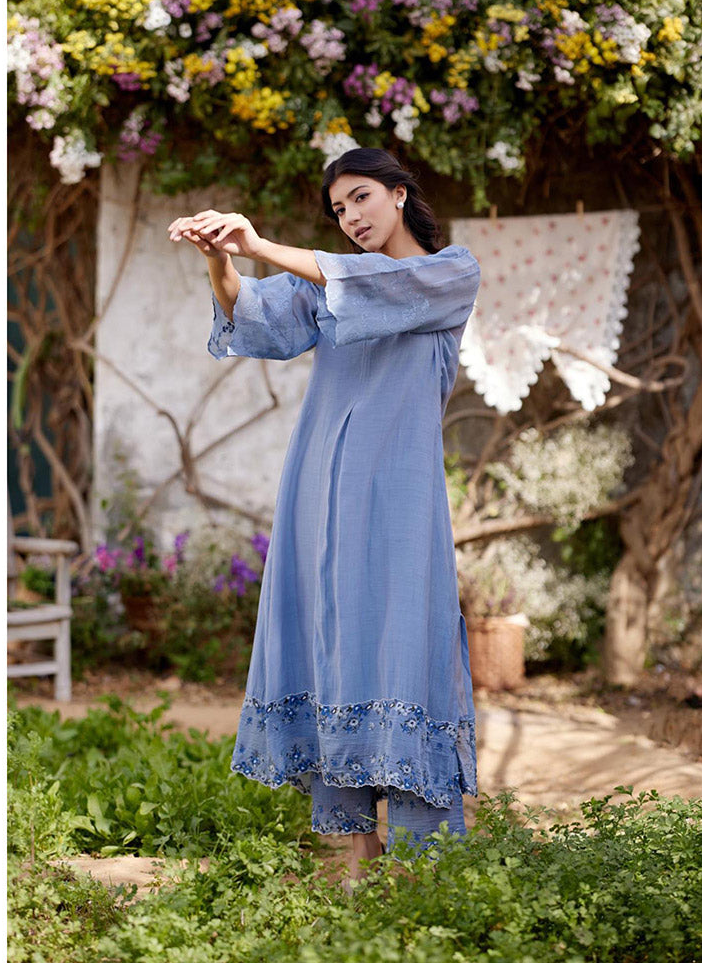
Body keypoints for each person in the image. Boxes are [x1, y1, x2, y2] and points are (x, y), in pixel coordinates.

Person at [168, 147, 481, 892]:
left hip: (400, 507)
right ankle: (357, 864)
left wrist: (257, 241)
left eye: (362, 197)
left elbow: (365, 283)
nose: (352, 217)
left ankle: (425, 873)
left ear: (399, 193)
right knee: (330, 647)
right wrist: (221, 261)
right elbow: (254, 320)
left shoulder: (448, 274)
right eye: (339, 209)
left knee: (405, 648)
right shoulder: (326, 286)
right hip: (318, 497)